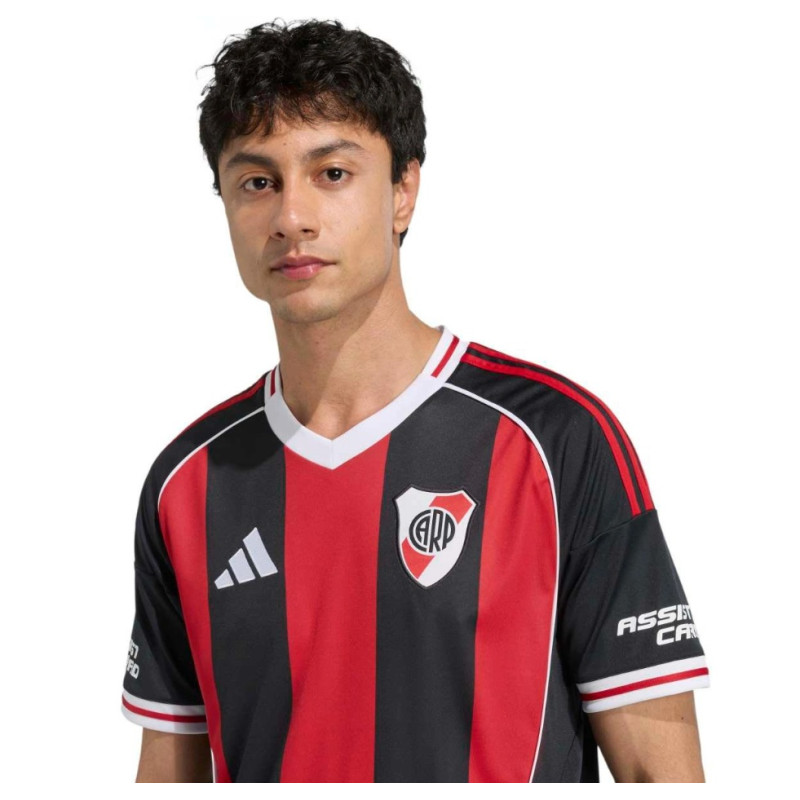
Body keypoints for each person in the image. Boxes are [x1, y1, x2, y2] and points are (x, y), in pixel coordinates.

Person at [120, 18, 710, 783]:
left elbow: (662, 777)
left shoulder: (554, 441)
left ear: (403, 191)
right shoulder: (188, 484)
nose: (291, 218)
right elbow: (168, 778)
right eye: (257, 182)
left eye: (332, 173)